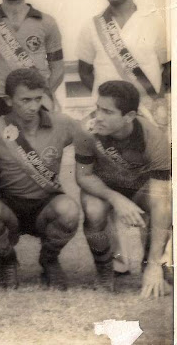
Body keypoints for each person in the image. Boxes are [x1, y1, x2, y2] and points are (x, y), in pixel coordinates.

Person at [76, 0, 171, 277]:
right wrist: (109, 103)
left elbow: (167, 67)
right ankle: (116, 261)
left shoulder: (154, 21)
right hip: (109, 116)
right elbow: (85, 71)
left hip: (149, 115)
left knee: (155, 189)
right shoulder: (92, 26)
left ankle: (153, 262)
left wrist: (158, 103)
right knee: (108, 179)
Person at [0, 68, 81, 290]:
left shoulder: (62, 124)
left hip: (47, 203)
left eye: (37, 99)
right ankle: (7, 260)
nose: (33, 106)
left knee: (70, 211)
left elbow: (93, 139)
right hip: (9, 203)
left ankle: (49, 260)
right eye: (25, 100)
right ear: (8, 100)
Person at [75, 81, 171, 297]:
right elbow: (83, 175)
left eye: (108, 112)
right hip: (104, 186)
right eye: (98, 108)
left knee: (170, 206)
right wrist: (116, 198)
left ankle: (153, 267)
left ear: (129, 116)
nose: (98, 116)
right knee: (93, 210)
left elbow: (161, 201)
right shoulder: (85, 129)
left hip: (139, 187)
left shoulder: (154, 138)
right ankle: (104, 269)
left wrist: (154, 265)